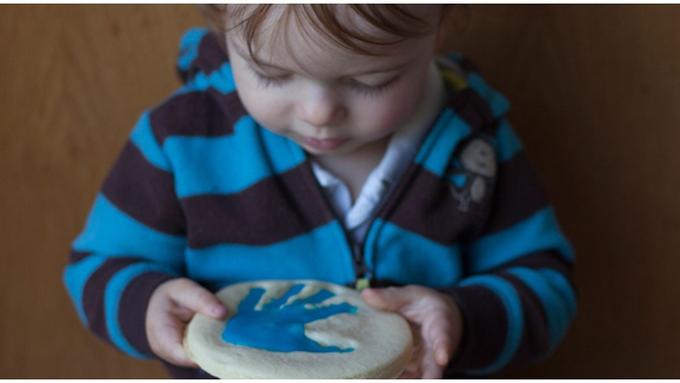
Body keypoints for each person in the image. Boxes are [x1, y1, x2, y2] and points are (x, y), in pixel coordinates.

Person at [63, 4, 576, 379]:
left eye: (371, 80)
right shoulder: (183, 139)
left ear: (438, 24)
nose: (318, 112)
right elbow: (97, 264)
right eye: (271, 72)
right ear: (222, 21)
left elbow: (546, 284)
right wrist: (146, 304)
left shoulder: (474, 141)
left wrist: (464, 319)